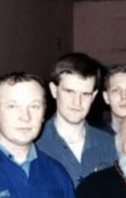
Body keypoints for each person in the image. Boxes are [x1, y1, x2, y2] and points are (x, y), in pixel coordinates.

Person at [36, 53, 117, 186]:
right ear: (54, 90)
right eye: (69, 92)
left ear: (94, 96)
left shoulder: (111, 145)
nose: (77, 102)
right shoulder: (34, 145)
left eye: (85, 94)